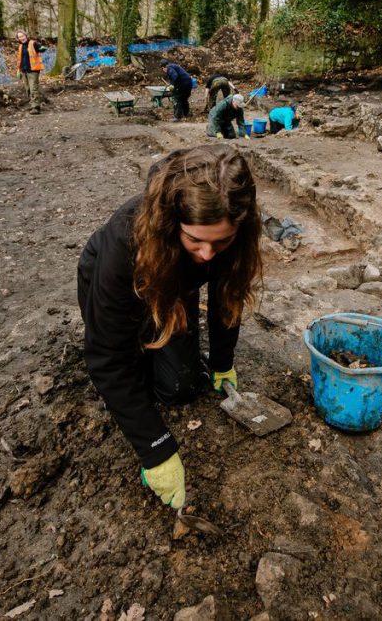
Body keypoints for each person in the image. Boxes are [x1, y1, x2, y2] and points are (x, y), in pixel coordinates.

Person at [77, 145, 262, 509]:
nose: (209, 254)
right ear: (172, 222)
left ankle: (159, 343)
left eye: (220, 241)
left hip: (177, 286)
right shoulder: (124, 239)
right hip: (124, 279)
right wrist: (155, 449)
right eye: (195, 239)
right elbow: (105, 357)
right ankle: (144, 347)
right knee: (125, 365)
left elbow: (228, 294)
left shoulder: (233, 234)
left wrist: (223, 360)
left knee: (179, 388)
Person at [15, 30, 48, 110]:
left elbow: (41, 48)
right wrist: (19, 70)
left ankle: (36, 107)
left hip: (33, 70)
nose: (21, 38)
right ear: (18, 38)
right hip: (24, 70)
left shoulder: (33, 43)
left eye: (22, 36)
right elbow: (20, 59)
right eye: (19, 37)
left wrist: (42, 48)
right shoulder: (20, 46)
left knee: (33, 88)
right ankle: (34, 102)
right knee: (28, 89)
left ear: (26, 35)